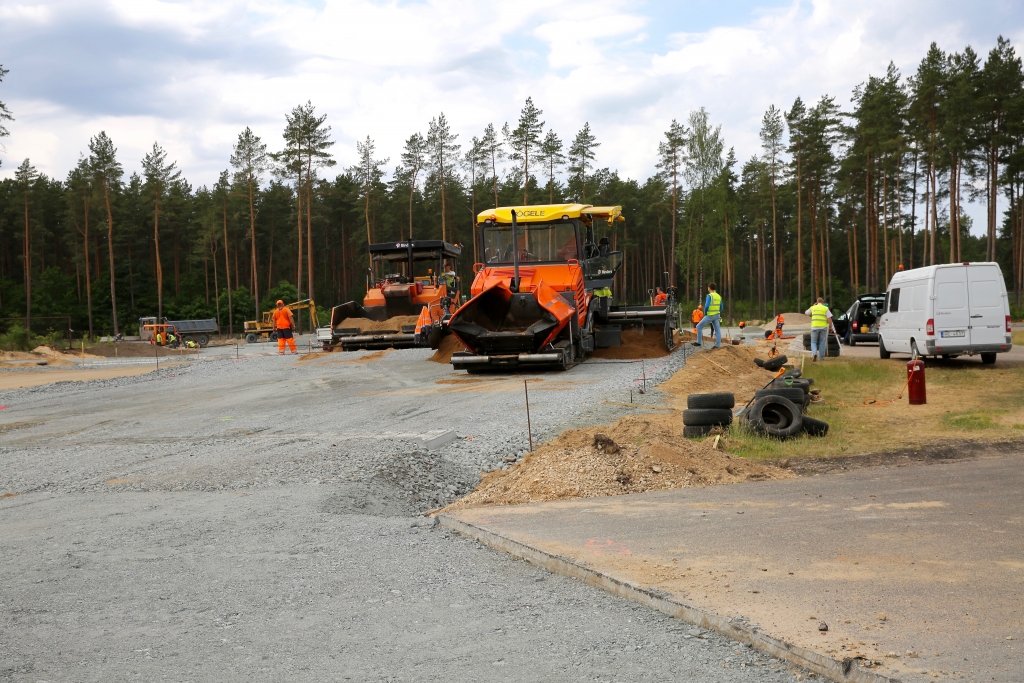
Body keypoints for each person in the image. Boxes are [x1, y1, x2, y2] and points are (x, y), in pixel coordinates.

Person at [804, 297, 836, 362]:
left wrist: (813, 306)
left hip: (814, 327)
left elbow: (806, 313)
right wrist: (830, 326)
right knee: (822, 342)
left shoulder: (813, 307)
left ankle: (814, 353)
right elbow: (829, 318)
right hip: (823, 328)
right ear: (823, 302)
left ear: (817, 302)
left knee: (813, 342)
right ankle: (821, 358)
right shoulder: (825, 308)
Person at [692, 283, 722, 348]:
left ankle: (698, 342)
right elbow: (721, 307)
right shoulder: (719, 296)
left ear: (709, 288)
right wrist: (717, 311)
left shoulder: (709, 296)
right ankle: (717, 345)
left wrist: (705, 313)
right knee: (717, 330)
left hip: (710, 315)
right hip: (717, 315)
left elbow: (706, 306)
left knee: (698, 326)